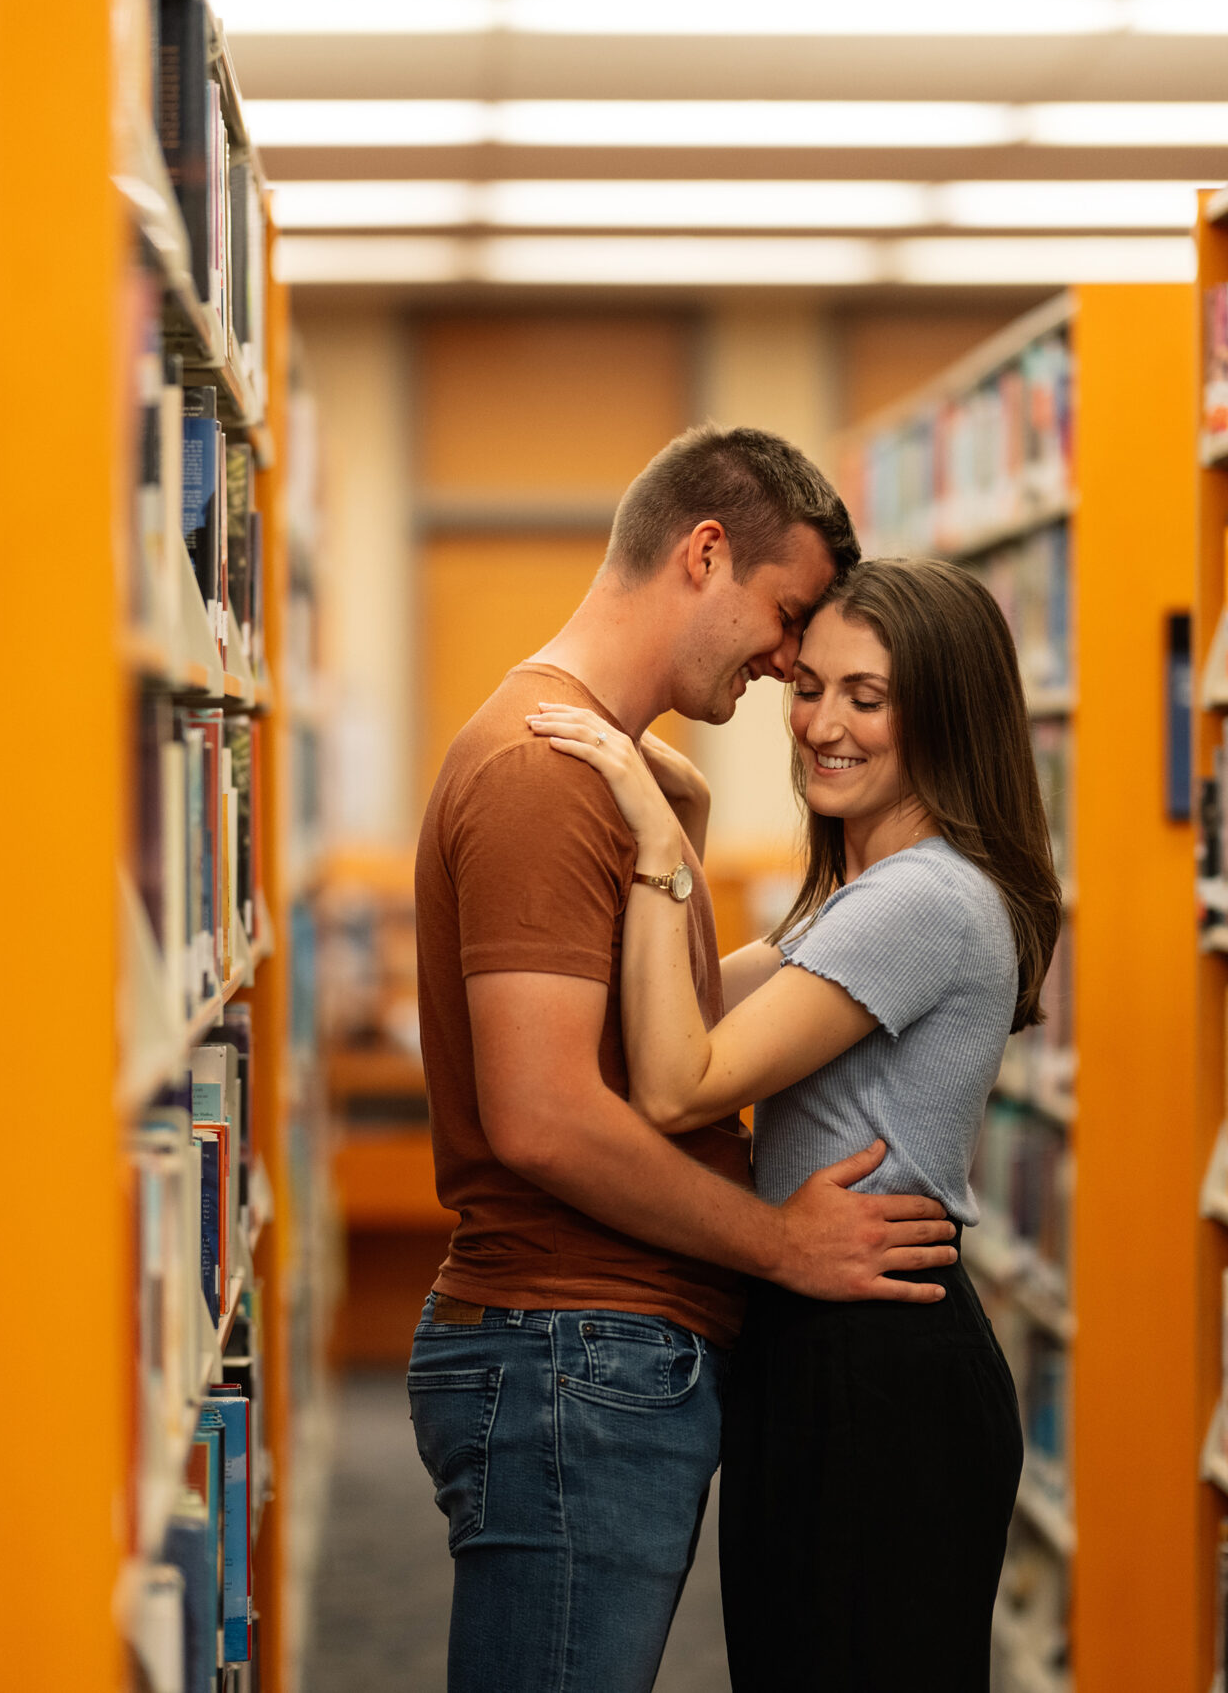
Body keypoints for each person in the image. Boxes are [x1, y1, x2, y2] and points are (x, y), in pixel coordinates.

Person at [411, 425, 964, 1693]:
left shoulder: (608, 772)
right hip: (570, 1351)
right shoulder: (547, 774)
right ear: (703, 554)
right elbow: (546, 1117)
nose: (788, 664)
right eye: (783, 618)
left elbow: (641, 1040)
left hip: (588, 1354)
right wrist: (779, 1246)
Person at [527, 556, 1065, 1693]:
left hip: (874, 1362)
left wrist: (662, 862)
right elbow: (675, 1017)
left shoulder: (922, 900)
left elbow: (677, 1084)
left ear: (946, 716)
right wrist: (690, 834)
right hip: (826, 1339)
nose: (821, 723)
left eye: (864, 699)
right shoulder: (868, 894)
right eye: (807, 687)